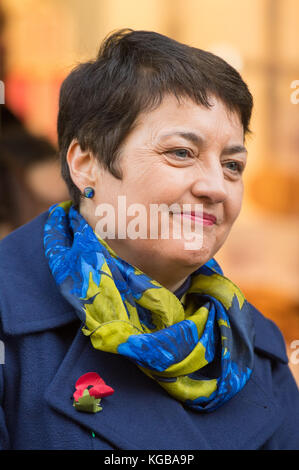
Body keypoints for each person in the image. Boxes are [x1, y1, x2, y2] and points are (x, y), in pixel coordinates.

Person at [0, 29, 298, 451]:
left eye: (233, 164)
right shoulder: (10, 321)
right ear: (86, 165)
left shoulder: (251, 345)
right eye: (181, 152)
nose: (216, 186)